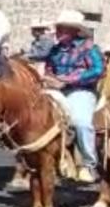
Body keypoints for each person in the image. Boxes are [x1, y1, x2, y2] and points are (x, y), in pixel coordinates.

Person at [44, 10, 106, 183]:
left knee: (80, 122)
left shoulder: (89, 48)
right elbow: (49, 68)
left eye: (62, 29)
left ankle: (88, 163)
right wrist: (49, 78)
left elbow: (98, 70)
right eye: (58, 28)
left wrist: (68, 81)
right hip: (56, 89)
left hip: (81, 91)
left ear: (74, 31)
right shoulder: (55, 50)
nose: (58, 31)